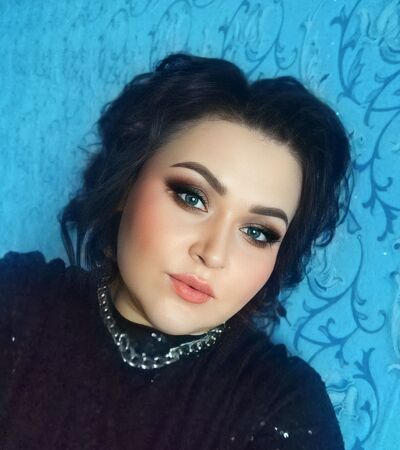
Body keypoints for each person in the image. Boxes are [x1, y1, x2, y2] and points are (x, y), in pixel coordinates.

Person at [0, 53, 350, 449]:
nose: (213, 253)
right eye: (192, 197)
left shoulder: (284, 405)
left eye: (257, 232)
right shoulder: (20, 299)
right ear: (126, 185)